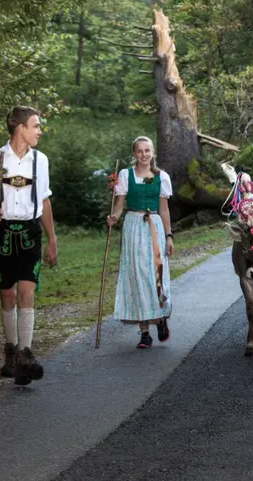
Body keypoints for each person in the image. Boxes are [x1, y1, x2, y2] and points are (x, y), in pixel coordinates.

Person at [0, 106, 58, 385]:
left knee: (26, 290)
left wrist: (52, 240)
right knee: (7, 295)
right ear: (20, 128)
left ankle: (25, 354)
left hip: (30, 233)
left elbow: (44, 201)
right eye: (35, 126)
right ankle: (11, 351)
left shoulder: (40, 161)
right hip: (5, 232)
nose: (39, 131)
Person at [107, 136, 174, 349]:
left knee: (155, 273)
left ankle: (160, 316)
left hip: (153, 225)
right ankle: (144, 331)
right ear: (134, 153)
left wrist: (169, 235)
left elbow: (164, 209)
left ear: (152, 152)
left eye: (147, 150)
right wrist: (114, 217)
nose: (143, 155)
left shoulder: (161, 177)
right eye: (139, 151)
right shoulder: (126, 175)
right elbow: (119, 205)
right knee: (136, 275)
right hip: (133, 225)